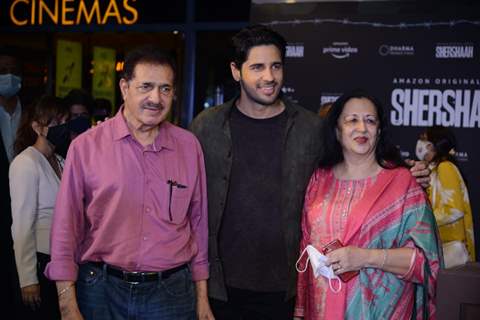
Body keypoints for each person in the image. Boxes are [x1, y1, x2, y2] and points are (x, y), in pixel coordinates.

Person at [190, 25, 430, 319]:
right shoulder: (206, 127)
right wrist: (200, 293)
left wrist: (404, 171)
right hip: (220, 291)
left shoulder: (311, 129)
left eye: (276, 66)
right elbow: (194, 210)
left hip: (287, 291)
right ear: (236, 71)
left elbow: (357, 163)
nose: (269, 77)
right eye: (257, 67)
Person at [45, 45, 211, 320]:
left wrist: (202, 297)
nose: (156, 98)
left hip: (171, 294)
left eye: (165, 89)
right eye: (146, 86)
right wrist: (66, 304)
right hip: (100, 290)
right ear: (124, 87)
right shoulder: (86, 147)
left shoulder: (188, 146)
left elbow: (199, 223)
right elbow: (66, 226)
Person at [294, 91, 441, 319]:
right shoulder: (318, 180)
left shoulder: (403, 183)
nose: (362, 128)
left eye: (370, 121)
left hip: (383, 310)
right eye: (352, 120)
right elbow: (305, 247)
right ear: (337, 130)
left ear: (379, 131)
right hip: (321, 310)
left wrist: (365, 257)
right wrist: (299, 312)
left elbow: (427, 261)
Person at [9, 95, 68, 319]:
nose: (62, 128)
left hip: (60, 261)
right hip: (39, 261)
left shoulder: (60, 160)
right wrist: (28, 279)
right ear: (37, 127)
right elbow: (22, 225)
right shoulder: (26, 162)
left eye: (64, 122)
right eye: (55, 123)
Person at [416, 126, 475, 263]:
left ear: (433, 145)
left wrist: (422, 220)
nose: (420, 142)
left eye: (424, 139)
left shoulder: (445, 167)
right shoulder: (433, 170)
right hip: (440, 246)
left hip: (451, 248)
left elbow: (454, 210)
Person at [0, 49, 24, 316]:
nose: (9, 76)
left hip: (23, 198)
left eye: (13, 70)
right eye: (3, 69)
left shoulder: (29, 110)